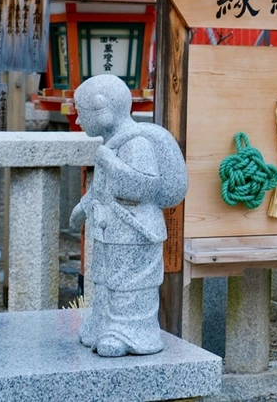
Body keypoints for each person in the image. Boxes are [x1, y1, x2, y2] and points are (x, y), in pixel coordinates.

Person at [69, 74, 188, 357]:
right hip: (110, 229)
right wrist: (83, 208)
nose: (78, 121)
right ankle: (103, 323)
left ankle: (128, 332)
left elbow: (144, 187)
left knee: (130, 285)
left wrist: (109, 163)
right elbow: (102, 190)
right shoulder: (113, 144)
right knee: (106, 281)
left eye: (82, 113)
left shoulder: (136, 143)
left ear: (104, 110)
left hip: (134, 231)